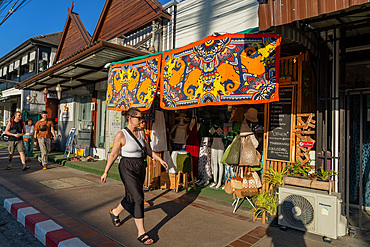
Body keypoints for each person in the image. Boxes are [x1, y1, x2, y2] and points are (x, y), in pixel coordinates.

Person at [101, 107, 168, 245]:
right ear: (130, 118)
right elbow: (113, 154)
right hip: (127, 167)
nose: (141, 120)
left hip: (140, 167)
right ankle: (141, 232)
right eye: (139, 118)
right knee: (138, 197)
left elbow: (148, 150)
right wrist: (106, 171)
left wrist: (159, 159)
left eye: (142, 118)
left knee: (131, 197)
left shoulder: (142, 133)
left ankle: (115, 212)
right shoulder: (121, 134)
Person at [139, 118, 151, 207]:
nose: (144, 123)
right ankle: (140, 199)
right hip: (134, 159)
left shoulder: (145, 132)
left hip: (143, 157)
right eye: (142, 122)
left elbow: (147, 145)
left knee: (140, 180)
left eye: (144, 122)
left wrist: (153, 158)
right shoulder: (135, 132)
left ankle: (140, 198)